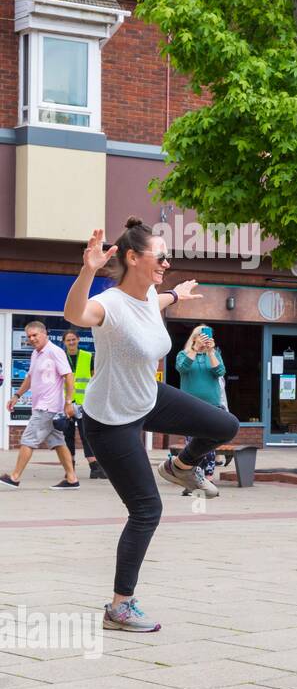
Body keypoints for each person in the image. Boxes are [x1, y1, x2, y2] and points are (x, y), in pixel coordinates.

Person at [64, 219, 238, 632]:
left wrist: (176, 294)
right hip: (110, 420)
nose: (166, 261)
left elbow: (156, 303)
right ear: (132, 257)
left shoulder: (145, 299)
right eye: (160, 256)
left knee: (224, 425)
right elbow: (75, 313)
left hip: (148, 396)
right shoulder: (110, 303)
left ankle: (180, 466)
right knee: (146, 510)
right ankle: (119, 607)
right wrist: (88, 269)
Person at [1, 321, 80, 490]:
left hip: (48, 407)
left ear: (45, 334)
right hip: (43, 406)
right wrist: (17, 395)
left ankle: (14, 477)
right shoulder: (36, 354)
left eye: (35, 335)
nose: (32, 339)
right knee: (59, 442)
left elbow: (69, 376)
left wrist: (68, 402)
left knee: (28, 440)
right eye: (29, 336)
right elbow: (29, 378)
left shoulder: (55, 351)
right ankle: (72, 479)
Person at [174, 325, 227, 491]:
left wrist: (211, 352)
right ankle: (191, 478)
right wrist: (195, 349)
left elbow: (220, 371)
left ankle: (208, 478)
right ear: (195, 337)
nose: (205, 338)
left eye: (207, 336)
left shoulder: (214, 354)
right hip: (190, 406)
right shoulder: (183, 354)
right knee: (192, 445)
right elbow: (182, 368)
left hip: (212, 406)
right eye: (201, 335)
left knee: (209, 444)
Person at [62, 329, 103, 478]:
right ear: (64, 342)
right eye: (68, 340)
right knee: (68, 435)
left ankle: (94, 468)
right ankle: (70, 468)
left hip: (84, 402)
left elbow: (95, 377)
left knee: (87, 434)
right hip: (65, 403)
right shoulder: (61, 357)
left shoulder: (87, 356)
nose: (71, 342)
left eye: (73, 339)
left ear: (78, 340)